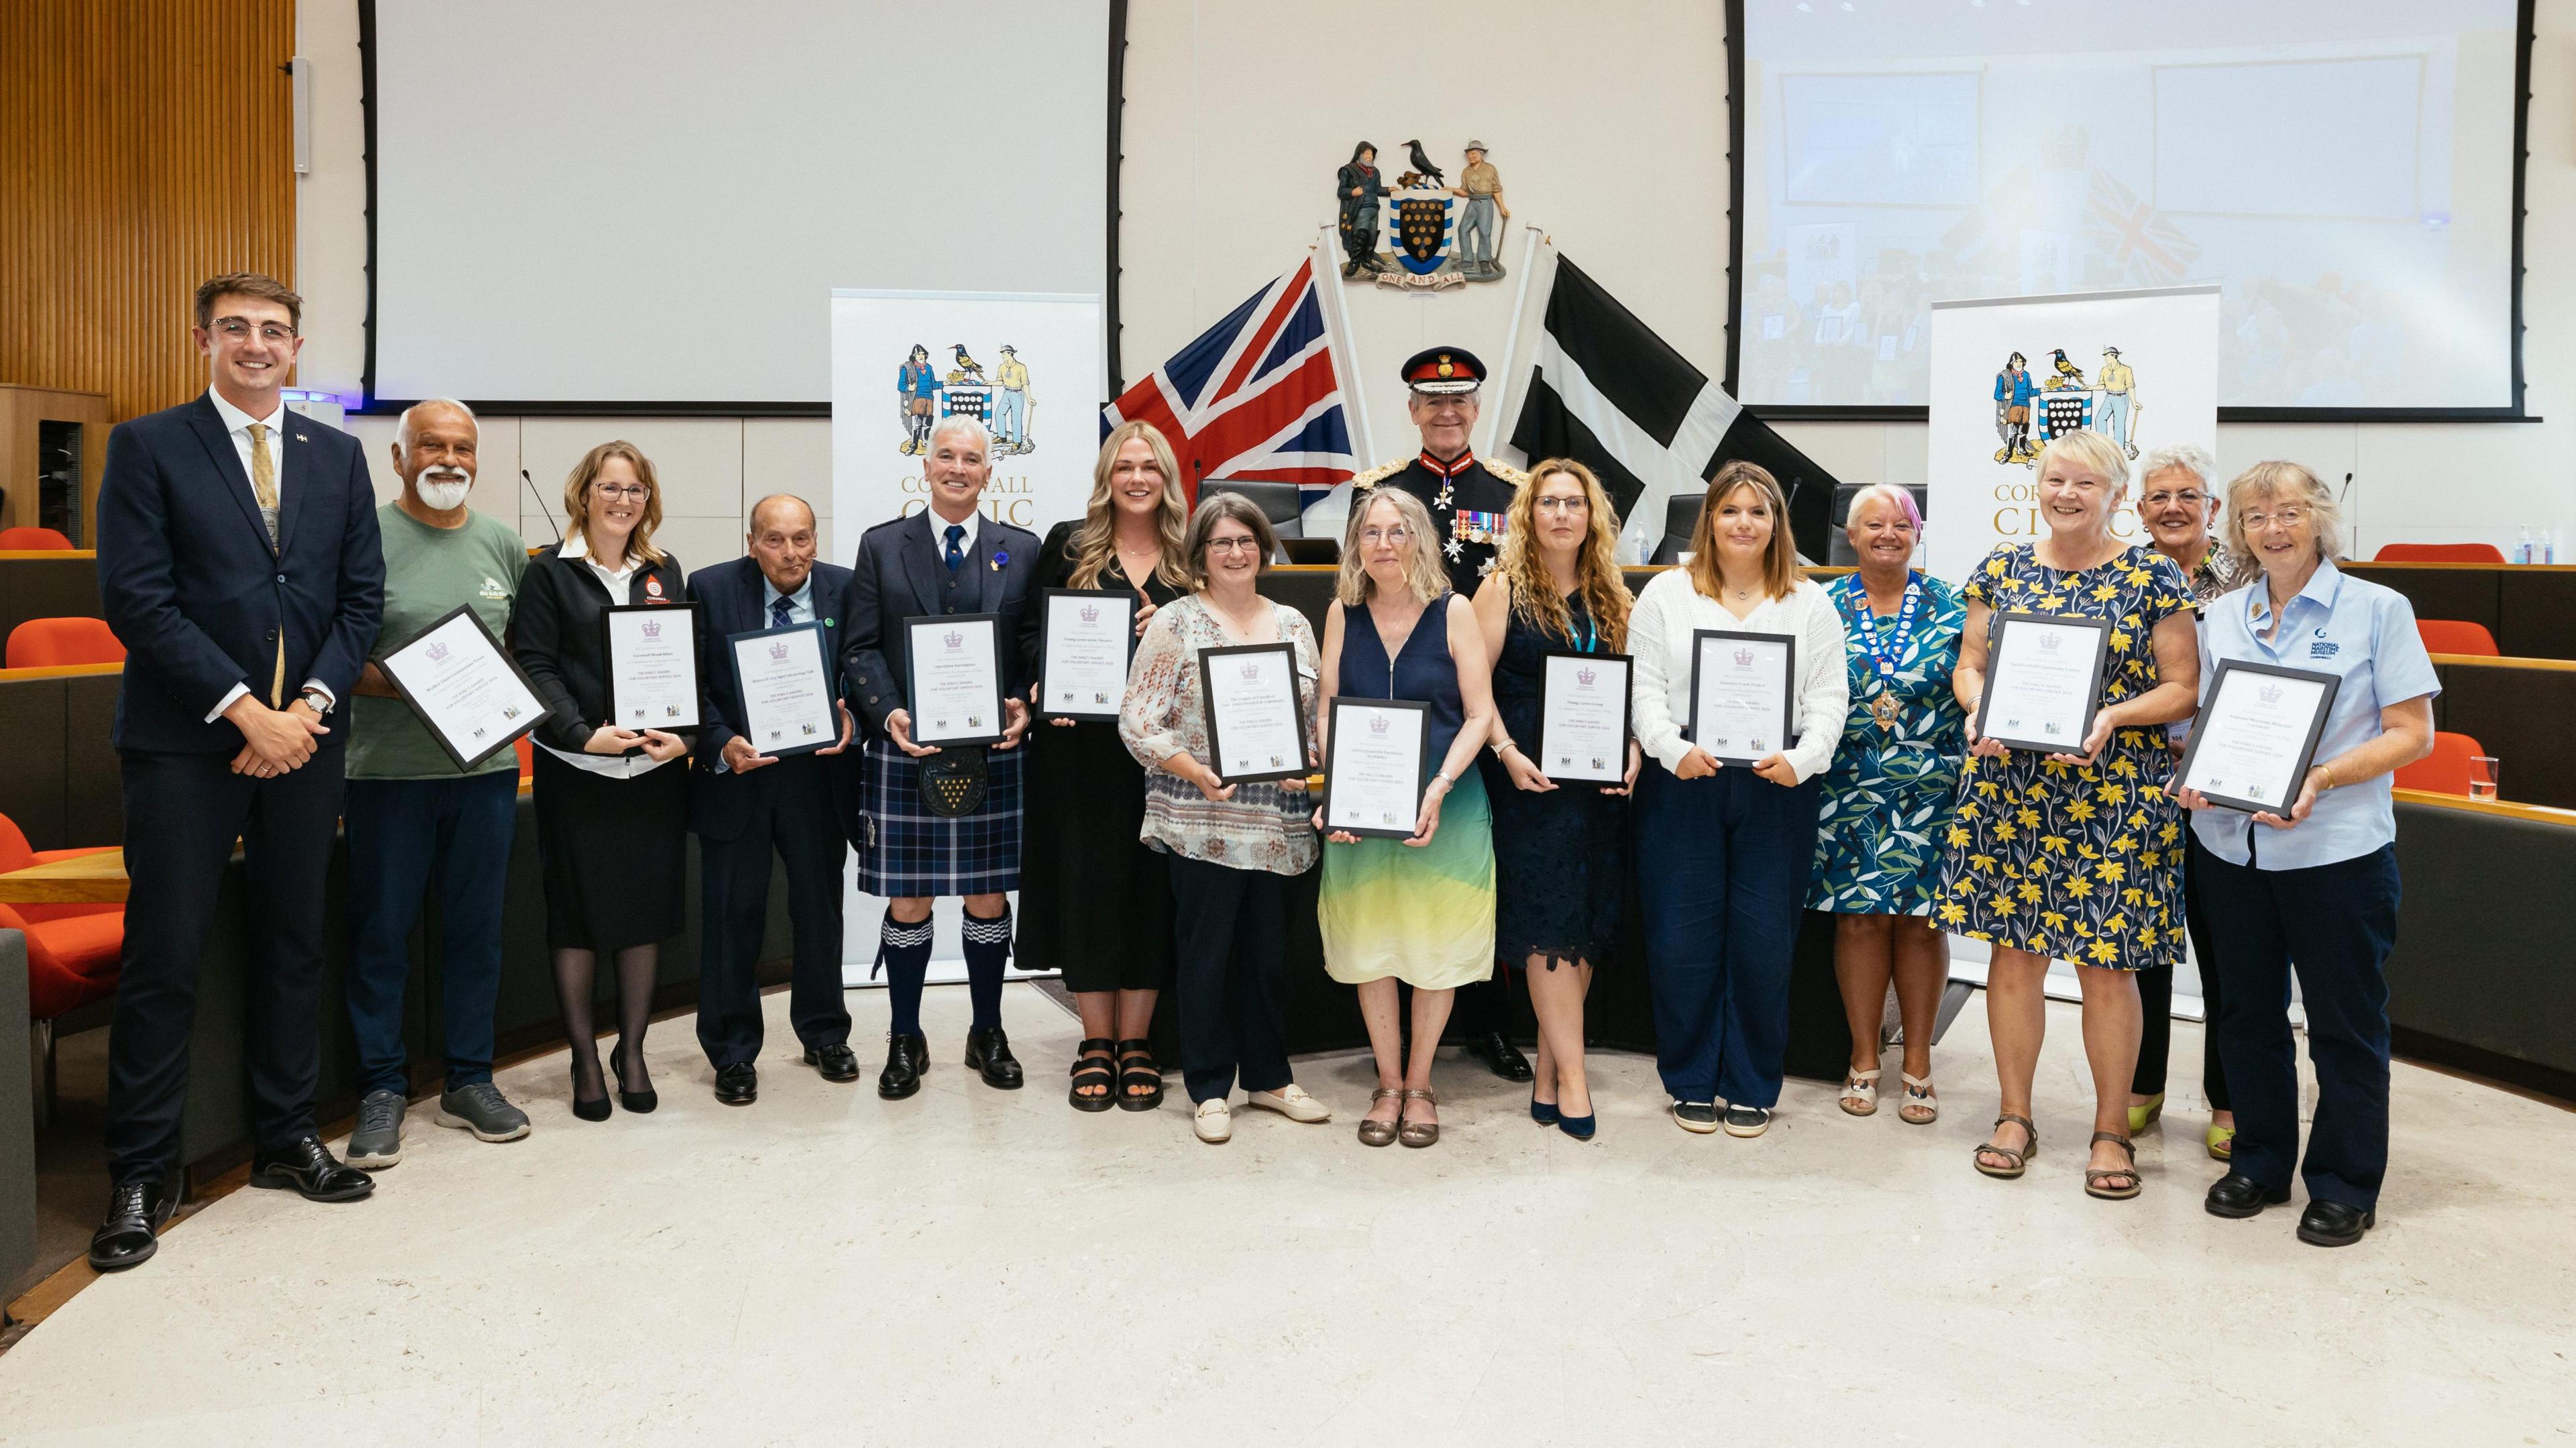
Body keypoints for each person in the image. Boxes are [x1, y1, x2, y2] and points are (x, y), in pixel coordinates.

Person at [88, 272, 386, 1271]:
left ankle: (286, 1134)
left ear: (297, 348)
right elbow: (136, 597)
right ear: (203, 338)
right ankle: (140, 1170)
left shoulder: (337, 457)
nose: (257, 344)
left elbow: (358, 602)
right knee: (165, 954)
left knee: (293, 940)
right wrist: (244, 707)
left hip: (305, 741)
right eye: (237, 329)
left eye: (275, 330)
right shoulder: (148, 444)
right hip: (185, 740)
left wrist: (303, 711)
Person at [1937, 429, 2199, 1201]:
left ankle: (2111, 1128)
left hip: (2113, 796)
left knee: (2108, 967)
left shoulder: (2153, 576)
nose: (2067, 493)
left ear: (2116, 493)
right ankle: (2015, 1115)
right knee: (2012, 959)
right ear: (2038, 487)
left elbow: (2182, 687)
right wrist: (1976, 707)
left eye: (2086, 482)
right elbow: (1970, 664)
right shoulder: (2002, 568)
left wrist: (2112, 716)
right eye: (2055, 479)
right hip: (2011, 791)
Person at [2182, 461, 2436, 1248]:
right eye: (2256, 517)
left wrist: (2320, 776)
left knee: (2343, 1024)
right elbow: (2205, 721)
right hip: (2232, 848)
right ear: (2240, 531)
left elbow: (2411, 733)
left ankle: (2345, 1182)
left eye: (2288, 512)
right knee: (2246, 1015)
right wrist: (2194, 772)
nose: (2273, 529)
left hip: (2337, 854)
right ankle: (2259, 1161)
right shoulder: (2223, 615)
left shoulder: (2378, 609)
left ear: (2319, 518)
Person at [1629, 463, 1848, 1137]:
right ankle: (1692, 1078)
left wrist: (1803, 759)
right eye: (1731, 511)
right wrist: (1672, 749)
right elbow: (1643, 693)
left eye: (1759, 511)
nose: (1745, 523)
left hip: (1775, 783)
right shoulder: (1666, 594)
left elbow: (1829, 698)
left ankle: (1753, 1081)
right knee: (1681, 939)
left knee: (1762, 941)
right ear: (1710, 521)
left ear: (1778, 523)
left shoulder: (1810, 602)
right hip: (1685, 780)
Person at [341, 399, 531, 1170]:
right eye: (430, 445)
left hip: (484, 775)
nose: (448, 458)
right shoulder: (363, 540)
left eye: (462, 447)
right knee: (381, 938)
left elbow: (524, 654)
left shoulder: (503, 545)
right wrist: (405, 682)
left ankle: (469, 1079)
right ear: (399, 457)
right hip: (386, 775)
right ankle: (382, 1088)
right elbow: (332, 653)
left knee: (474, 935)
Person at [1119, 493, 1332, 1144]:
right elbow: (1137, 719)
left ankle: (1268, 1077)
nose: (1235, 552)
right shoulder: (1176, 623)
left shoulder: (1295, 623)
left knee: (1268, 957)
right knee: (1206, 955)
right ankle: (1210, 1086)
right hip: (1201, 821)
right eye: (1221, 543)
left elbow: (1314, 723)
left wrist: (1315, 769)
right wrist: (1192, 769)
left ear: (1263, 547)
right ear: (1200, 555)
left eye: (1245, 540)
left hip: (1277, 825)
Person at [1348, 345, 1533, 1082]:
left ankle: (1489, 1023)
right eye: (1433, 400)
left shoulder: (1513, 492)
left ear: (1478, 409)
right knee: (1395, 873)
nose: (1447, 412)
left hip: (1488, 704)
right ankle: (1391, 1038)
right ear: (1413, 410)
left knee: (1480, 874)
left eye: (1460, 400)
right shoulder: (1383, 490)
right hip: (1403, 708)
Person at [843, 414, 1040, 1099]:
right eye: (946, 456)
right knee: (910, 898)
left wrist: (1020, 698)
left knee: (988, 895)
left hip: (991, 750)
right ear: (925, 467)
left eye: (972, 459)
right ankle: (905, 1034)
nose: (958, 468)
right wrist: (888, 711)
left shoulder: (1022, 547)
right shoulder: (881, 546)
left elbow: (1032, 645)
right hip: (906, 746)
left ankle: (987, 1029)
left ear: (990, 473)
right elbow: (859, 645)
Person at [511, 441, 694, 1123]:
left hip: (651, 773)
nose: (623, 500)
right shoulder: (548, 575)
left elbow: (688, 661)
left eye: (636, 489)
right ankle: (586, 1056)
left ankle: (634, 1050)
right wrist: (582, 732)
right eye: (610, 487)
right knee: (580, 917)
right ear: (584, 493)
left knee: (643, 911)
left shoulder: (665, 569)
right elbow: (534, 666)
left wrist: (685, 735)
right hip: (580, 769)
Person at [1318, 486, 1498, 1148]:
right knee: (1372, 947)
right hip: (1362, 813)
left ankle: (1420, 1083)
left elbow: (1480, 713)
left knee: (1435, 947)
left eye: (1398, 531)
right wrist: (1338, 792)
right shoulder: (1343, 611)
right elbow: (1330, 708)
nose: (1384, 544)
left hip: (1444, 807)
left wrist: (1439, 786)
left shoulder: (1454, 611)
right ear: (1356, 544)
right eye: (1371, 532)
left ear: (1419, 538)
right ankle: (1387, 1081)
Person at [1018, 422, 1188, 1111]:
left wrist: (1167, 626)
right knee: (1087, 887)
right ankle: (1096, 1041)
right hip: (1079, 750)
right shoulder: (1069, 543)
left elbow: (1220, 636)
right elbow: (1030, 631)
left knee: (1151, 890)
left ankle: (1138, 1041)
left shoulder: (1190, 552)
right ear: (1107, 476)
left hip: (1164, 754)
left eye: (1150, 466)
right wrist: (1041, 681)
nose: (1138, 477)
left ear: (1166, 477)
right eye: (1125, 466)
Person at [1470, 459, 1634, 1141]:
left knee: (1587, 921)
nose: (1562, 514)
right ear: (1528, 515)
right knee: (1548, 926)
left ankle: (1547, 1067)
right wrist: (1507, 751)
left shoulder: (1614, 598)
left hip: (1598, 793)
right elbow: (1470, 691)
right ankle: (1573, 1074)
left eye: (1575, 503)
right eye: (1549, 503)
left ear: (1592, 516)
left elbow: (1634, 692)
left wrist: (1635, 752)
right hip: (1531, 790)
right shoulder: (1501, 590)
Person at [686, 494, 860, 1107]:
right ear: (751, 541)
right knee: (734, 916)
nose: (792, 553)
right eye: (776, 540)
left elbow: (865, 670)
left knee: (819, 913)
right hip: (739, 774)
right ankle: (732, 1050)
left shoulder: (846, 587)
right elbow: (693, 683)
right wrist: (720, 742)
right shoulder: (709, 588)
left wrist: (854, 725)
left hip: (817, 777)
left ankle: (824, 1033)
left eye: (803, 538)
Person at [1809, 484, 1963, 1127]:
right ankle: (1864, 1057)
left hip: (1931, 787)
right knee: (1858, 921)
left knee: (1923, 923)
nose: (1888, 534)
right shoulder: (1820, 605)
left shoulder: (1953, 604)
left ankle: (1919, 1063)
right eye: (1874, 524)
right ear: (1851, 533)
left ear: (1917, 533)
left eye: (1901, 524)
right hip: (1846, 786)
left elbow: (1979, 676)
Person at [2131, 443, 2244, 1154]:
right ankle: (2142, 1085)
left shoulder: (2248, 578)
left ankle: (2229, 1102)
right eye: (2159, 495)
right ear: (2138, 508)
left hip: (2226, 790)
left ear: (2213, 508)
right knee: (2144, 943)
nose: (2173, 506)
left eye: (2188, 494)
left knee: (2229, 946)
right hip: (2138, 783)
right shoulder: (2123, 574)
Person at [1449, 140, 1508, 281]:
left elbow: (1496, 189)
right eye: (1469, 154)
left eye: (1474, 153)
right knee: (1463, 229)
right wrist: (1451, 190)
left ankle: (1484, 262)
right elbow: (1464, 191)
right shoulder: (1466, 171)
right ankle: (1467, 260)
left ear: (1481, 154)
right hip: (1472, 203)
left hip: (1486, 203)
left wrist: (1502, 207)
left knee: (1484, 232)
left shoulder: (1490, 168)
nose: (1471, 156)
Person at [1335, 141, 1388, 278]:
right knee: (1361, 233)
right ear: (1360, 154)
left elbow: (1377, 190)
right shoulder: (1350, 170)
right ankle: (1355, 262)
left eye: (1371, 154)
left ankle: (1367, 261)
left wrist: (1389, 190)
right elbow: (1341, 192)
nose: (1370, 156)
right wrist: (1352, 192)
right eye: (1367, 153)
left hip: (1373, 207)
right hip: (1360, 207)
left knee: (1372, 235)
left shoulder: (1375, 172)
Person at [991, 345, 1030, 452]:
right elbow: (1000, 382)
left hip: (1017, 394)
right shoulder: (1002, 367)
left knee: (1016, 418)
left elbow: (1025, 384)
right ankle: (1002, 437)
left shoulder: (1021, 367)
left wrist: (1029, 398)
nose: (1002, 356)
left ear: (1009, 354)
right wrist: (990, 383)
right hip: (1007, 393)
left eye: (1004, 354)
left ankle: (1017, 442)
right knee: (999, 413)